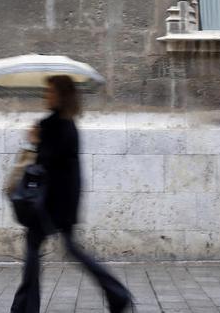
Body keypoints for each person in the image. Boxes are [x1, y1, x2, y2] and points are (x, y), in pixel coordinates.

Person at [11, 75, 132, 313]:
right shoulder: (65, 124)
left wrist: (35, 141)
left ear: (62, 95)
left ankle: (25, 307)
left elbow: (45, 162)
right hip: (60, 201)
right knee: (56, 249)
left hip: (50, 203)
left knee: (42, 250)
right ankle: (117, 295)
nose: (46, 95)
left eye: (51, 92)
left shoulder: (56, 126)